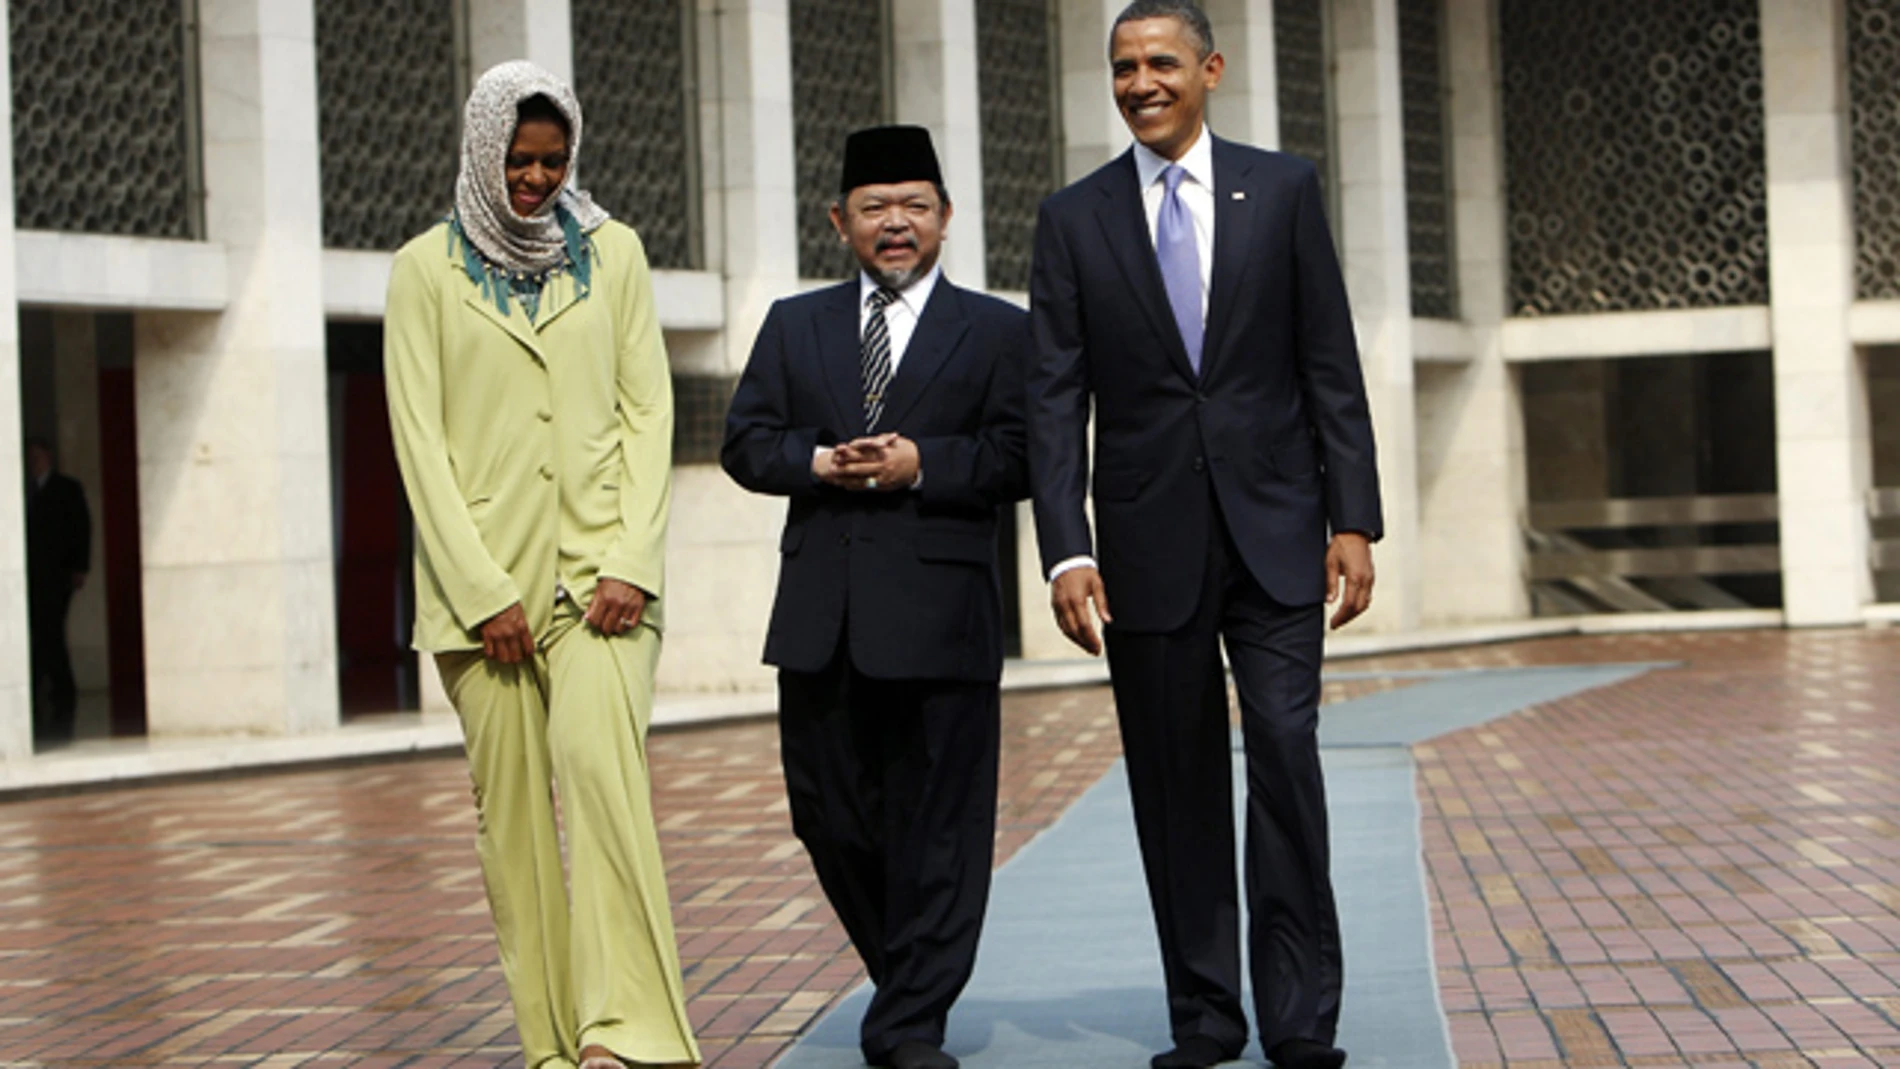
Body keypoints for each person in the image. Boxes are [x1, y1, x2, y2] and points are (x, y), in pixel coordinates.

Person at [1026, 3, 1382, 1068]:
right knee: (1173, 780)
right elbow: (1054, 398)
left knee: (1282, 752)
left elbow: (1329, 362)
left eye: (1161, 63)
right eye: (1123, 66)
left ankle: (1300, 1015)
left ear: (1210, 70)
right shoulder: (1072, 217)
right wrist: (1066, 545)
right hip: (1144, 549)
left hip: (1277, 532)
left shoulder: (1283, 190)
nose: (1140, 81)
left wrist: (1351, 517)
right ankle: (1206, 1017)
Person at [383, 61, 699, 1069]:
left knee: (604, 780)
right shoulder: (422, 271)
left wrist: (632, 560)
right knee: (513, 828)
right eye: (517, 161)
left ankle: (626, 1035)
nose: (534, 180)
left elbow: (652, 413)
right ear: (481, 152)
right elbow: (418, 442)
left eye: (552, 161)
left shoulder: (615, 256)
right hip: (482, 595)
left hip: (603, 581)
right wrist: (480, 593)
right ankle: (554, 1049)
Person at [722, 125, 1028, 1069]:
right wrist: (814, 460)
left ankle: (908, 1021)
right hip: (822, 620)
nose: (895, 225)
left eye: (914, 207)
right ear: (839, 220)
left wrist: (921, 462)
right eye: (874, 209)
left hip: (943, 619)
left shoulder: (999, 330)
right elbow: (745, 441)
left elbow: (1025, 455)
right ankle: (909, 974)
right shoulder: (794, 323)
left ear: (945, 217)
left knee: (942, 824)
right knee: (830, 816)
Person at [24, 436, 90, 745]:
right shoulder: (24, 490)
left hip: (58, 575)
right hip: (31, 577)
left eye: (37, 456)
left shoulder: (67, 488)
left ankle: (61, 688)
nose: (33, 461)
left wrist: (80, 567)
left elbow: (81, 528)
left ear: (48, 456)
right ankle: (41, 685)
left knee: (51, 629)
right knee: (39, 630)